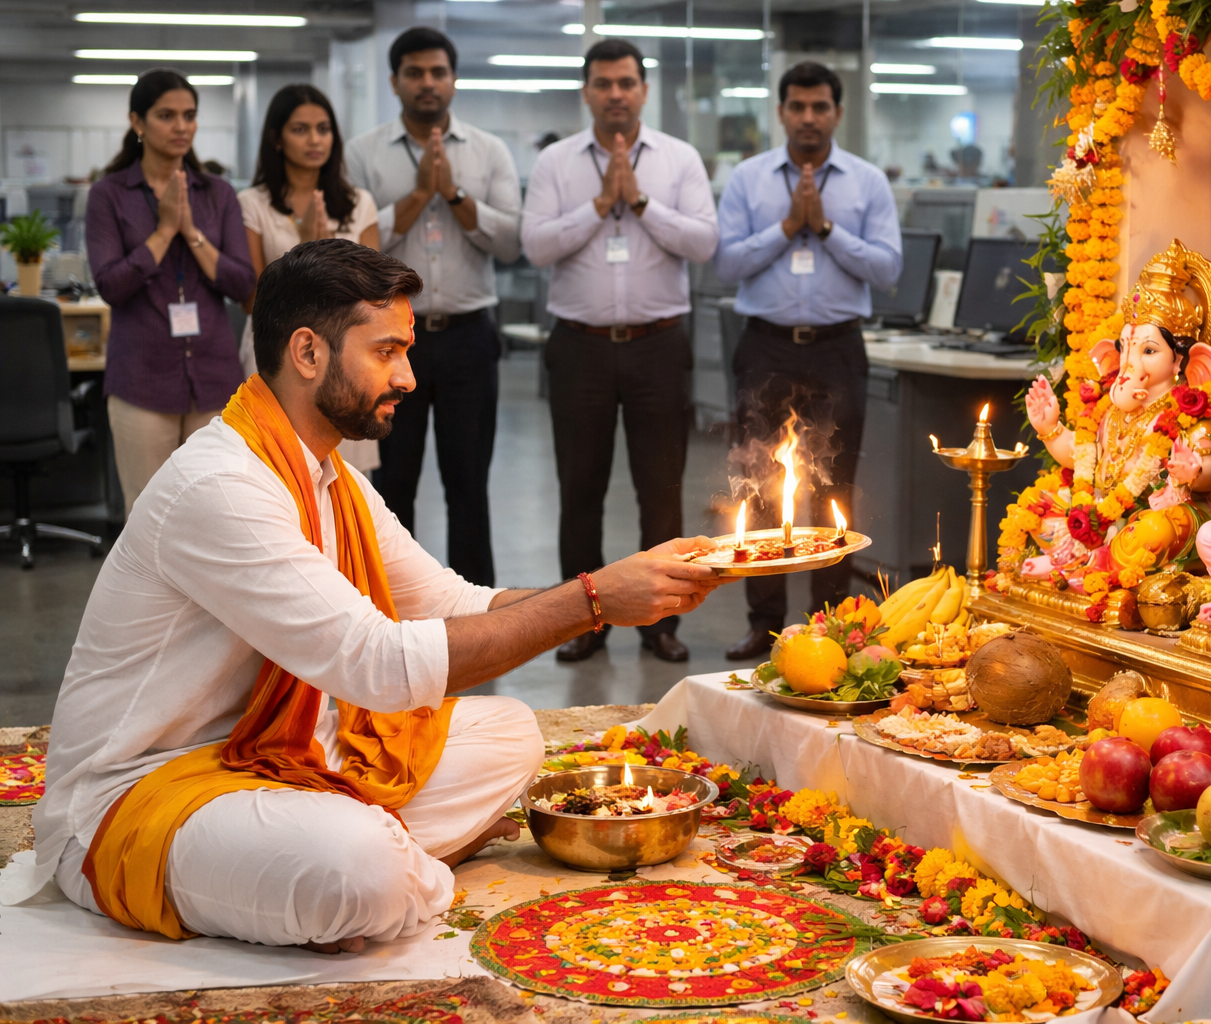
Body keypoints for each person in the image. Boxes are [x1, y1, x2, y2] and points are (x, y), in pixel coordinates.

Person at [0, 239, 724, 951]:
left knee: (510, 734)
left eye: (406, 350)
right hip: (138, 794)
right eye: (386, 352)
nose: (409, 376)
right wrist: (594, 601)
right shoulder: (222, 486)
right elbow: (375, 666)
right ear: (308, 353)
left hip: (271, 761)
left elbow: (452, 602)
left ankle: (341, 865)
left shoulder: (332, 478)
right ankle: (381, 873)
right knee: (359, 867)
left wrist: (628, 584)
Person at [522, 39, 719, 664]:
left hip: (658, 346)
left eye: (626, 83)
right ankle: (585, 622)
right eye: (603, 83)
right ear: (586, 91)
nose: (615, 94)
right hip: (578, 347)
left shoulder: (679, 159)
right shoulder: (556, 162)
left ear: (643, 90)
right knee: (580, 486)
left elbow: (704, 242)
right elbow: (536, 245)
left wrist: (639, 202)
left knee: (660, 488)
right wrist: (599, 206)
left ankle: (662, 623)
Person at [714, 62, 902, 660]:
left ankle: (828, 629)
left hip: (837, 347)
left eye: (820, 107)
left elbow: (888, 269)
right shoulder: (748, 178)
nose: (808, 118)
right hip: (764, 345)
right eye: (797, 107)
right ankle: (765, 623)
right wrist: (787, 227)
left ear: (837, 114)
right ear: (781, 112)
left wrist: (823, 229)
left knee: (832, 487)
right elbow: (725, 264)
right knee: (762, 484)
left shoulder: (868, 182)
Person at [348, 26, 523, 586]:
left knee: (468, 483)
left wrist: (454, 195)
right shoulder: (364, 154)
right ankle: (390, 606)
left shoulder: (489, 151)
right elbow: (352, 252)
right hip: (389, 344)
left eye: (438, 72)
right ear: (395, 81)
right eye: (415, 73)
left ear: (453, 79)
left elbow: (511, 244)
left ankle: (476, 609)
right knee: (392, 483)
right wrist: (419, 194)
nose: (428, 83)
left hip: (469, 338)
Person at [86, 69, 256, 517]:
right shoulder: (109, 195)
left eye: (190, 115)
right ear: (137, 122)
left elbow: (243, 284)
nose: (182, 126)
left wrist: (194, 236)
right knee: (148, 518)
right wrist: (163, 233)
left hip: (215, 376)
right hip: (141, 378)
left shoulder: (217, 194)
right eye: (166, 116)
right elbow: (110, 286)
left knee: (220, 515)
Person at [239, 83, 382, 472]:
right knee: (277, 470)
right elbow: (251, 300)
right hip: (278, 355)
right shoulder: (253, 204)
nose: (314, 139)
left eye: (323, 128)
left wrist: (322, 263)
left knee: (345, 481)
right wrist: (299, 259)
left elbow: (375, 295)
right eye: (300, 129)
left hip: (347, 352)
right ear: (277, 139)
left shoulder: (359, 203)